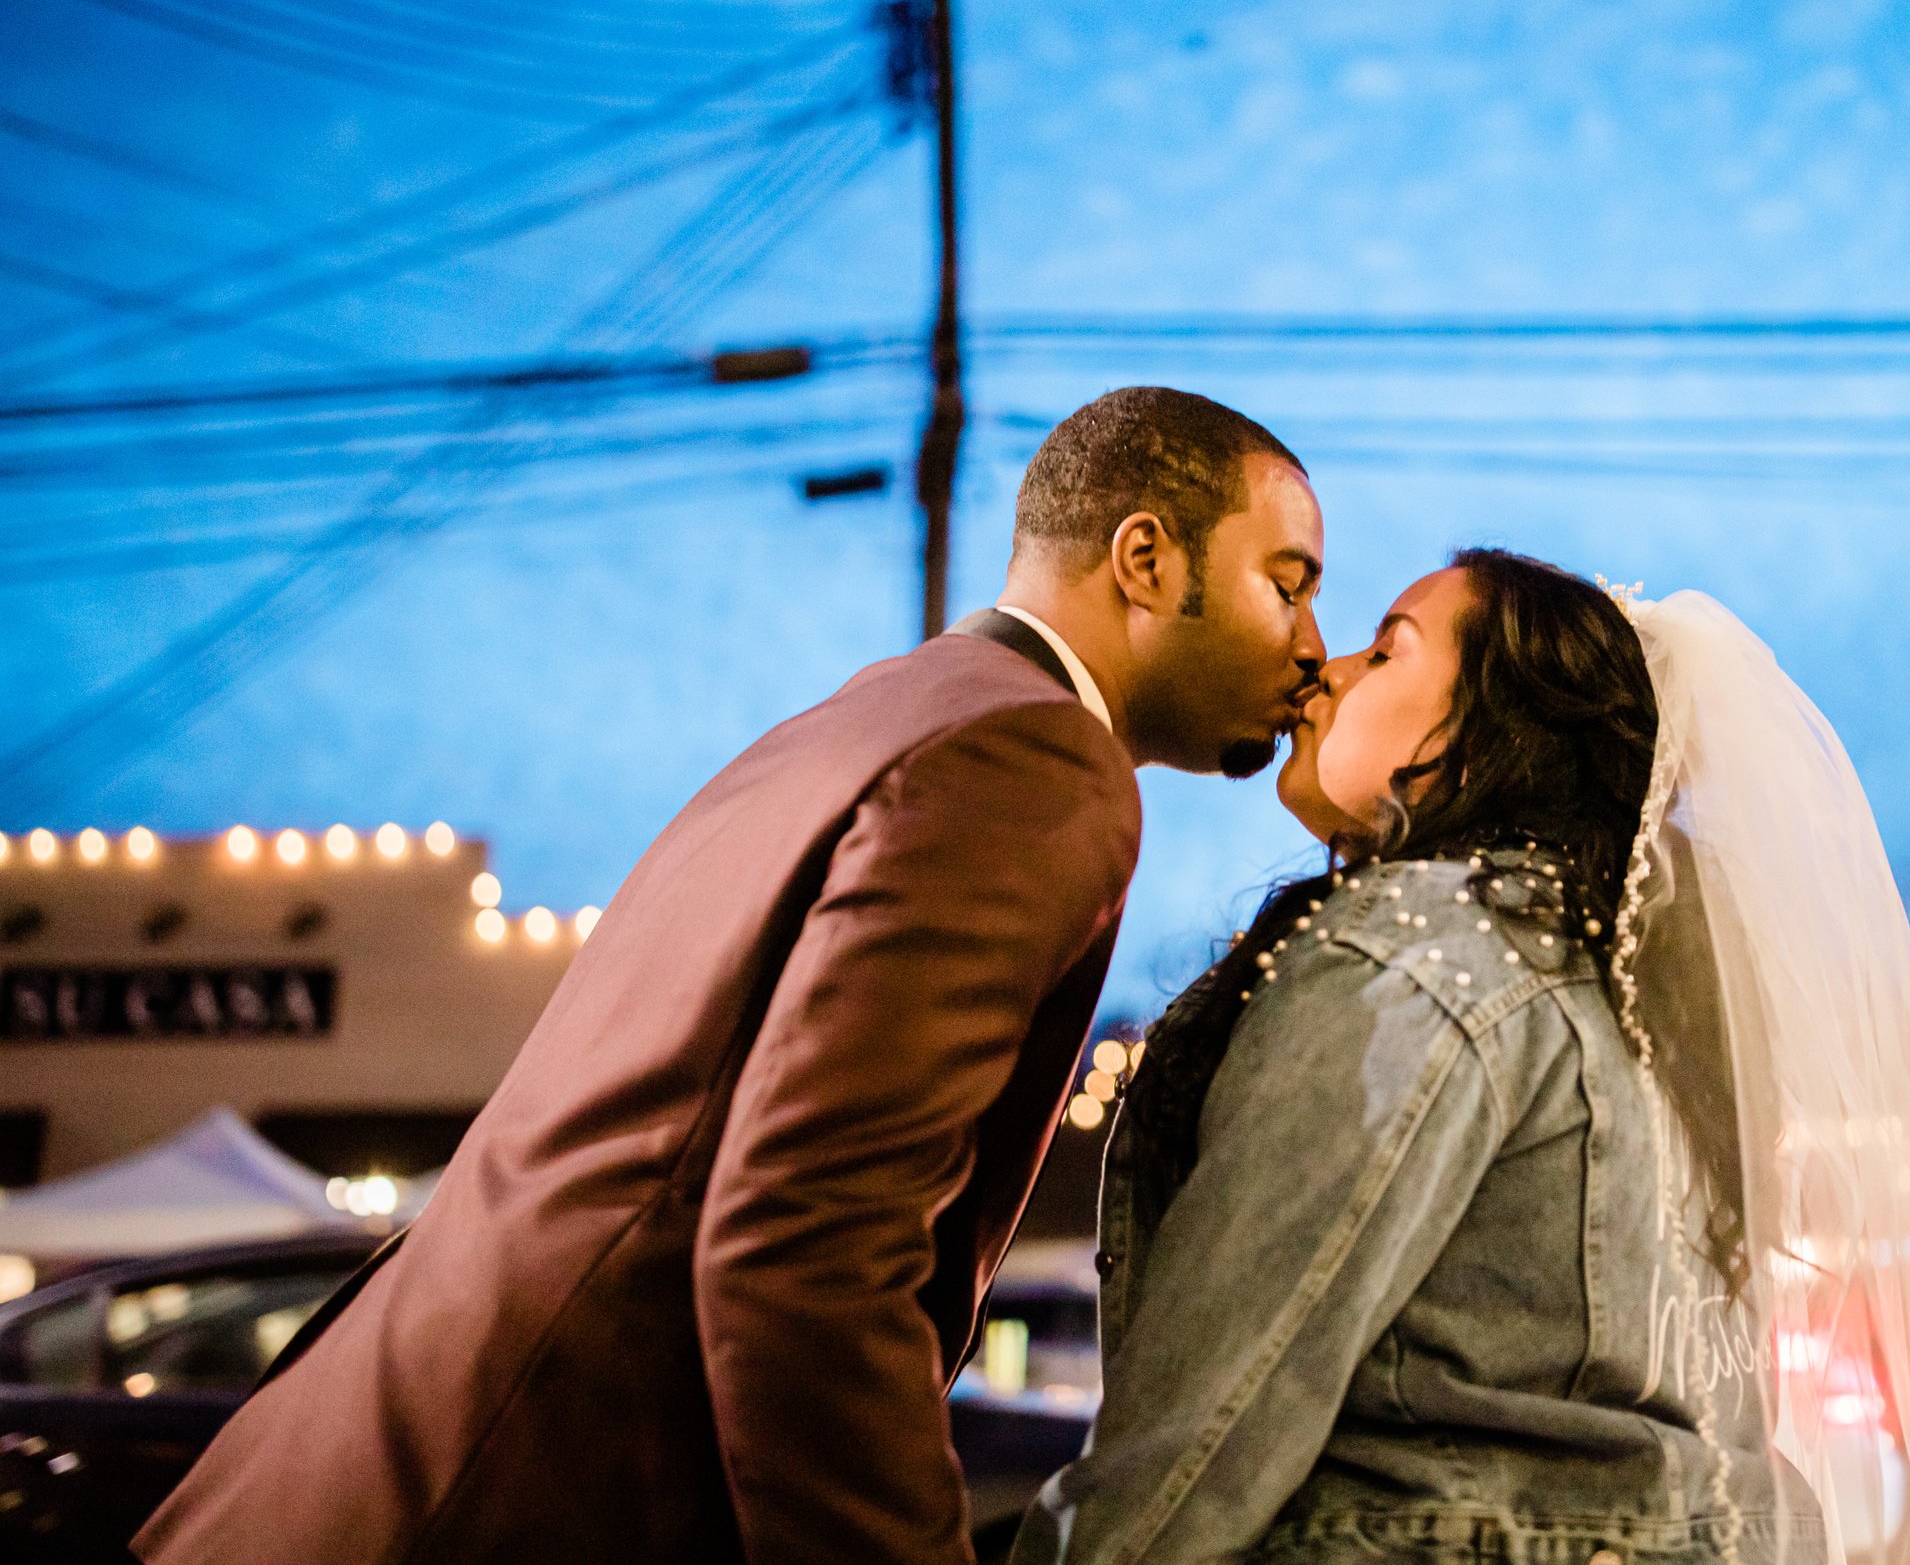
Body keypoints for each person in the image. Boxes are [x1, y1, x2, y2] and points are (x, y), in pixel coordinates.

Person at [134, 387, 1326, 1565]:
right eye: (1287, 582)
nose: (1314, 643)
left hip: (360, 1477)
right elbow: (809, 1235)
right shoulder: (1032, 753)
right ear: (1145, 557)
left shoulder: (861, 718)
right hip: (513, 1497)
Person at [1017, 549, 1910, 1565]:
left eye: (1386, 651)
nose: (1324, 668)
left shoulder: (1415, 954)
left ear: (1483, 742)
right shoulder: (1637, 986)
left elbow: (1213, 1417)